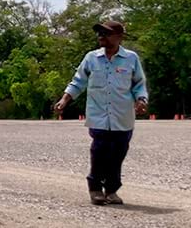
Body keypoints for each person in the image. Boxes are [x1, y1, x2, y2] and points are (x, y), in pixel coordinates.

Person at [54, 21, 148, 206]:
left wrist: (141, 100)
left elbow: (139, 84)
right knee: (99, 150)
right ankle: (95, 189)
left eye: (106, 33)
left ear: (119, 37)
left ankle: (112, 190)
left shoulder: (131, 58)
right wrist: (65, 99)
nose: (101, 37)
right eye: (99, 33)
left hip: (123, 116)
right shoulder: (91, 58)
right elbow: (78, 81)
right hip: (98, 116)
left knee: (118, 152)